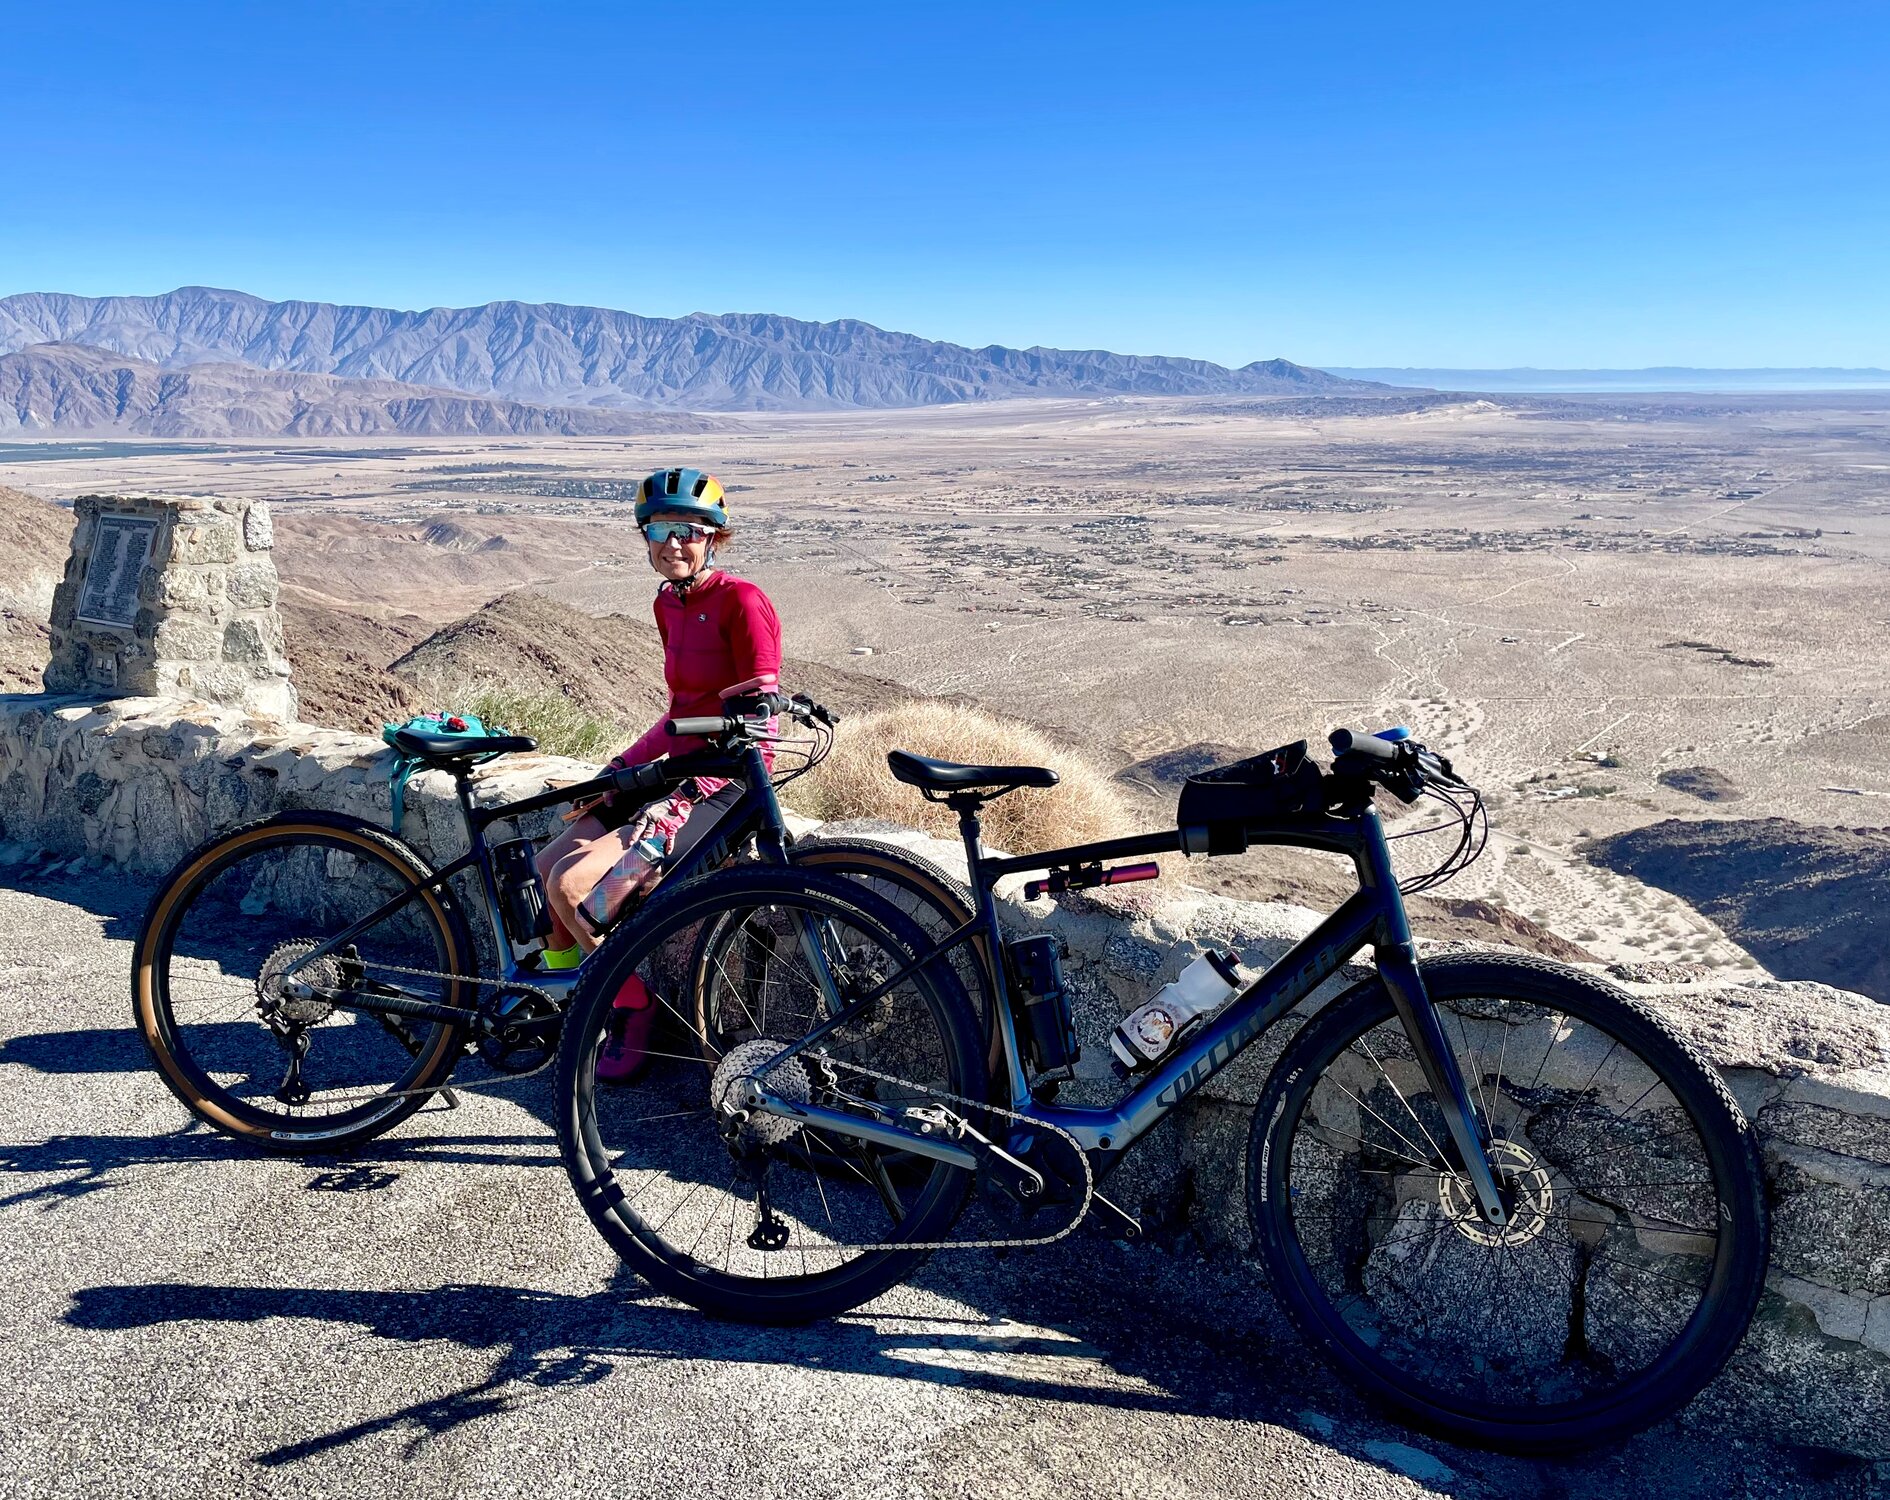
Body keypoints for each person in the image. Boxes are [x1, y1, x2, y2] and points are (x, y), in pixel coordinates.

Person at [532, 467, 782, 1078]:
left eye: (689, 531)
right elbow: (680, 716)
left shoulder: (742, 602)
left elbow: (761, 722)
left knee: (574, 888)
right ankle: (577, 996)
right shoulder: (668, 604)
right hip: (679, 767)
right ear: (645, 536)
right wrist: (618, 770)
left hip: (724, 784)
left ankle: (631, 1004)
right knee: (545, 870)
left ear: (714, 538)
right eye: (660, 529)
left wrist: (688, 791)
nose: (674, 543)